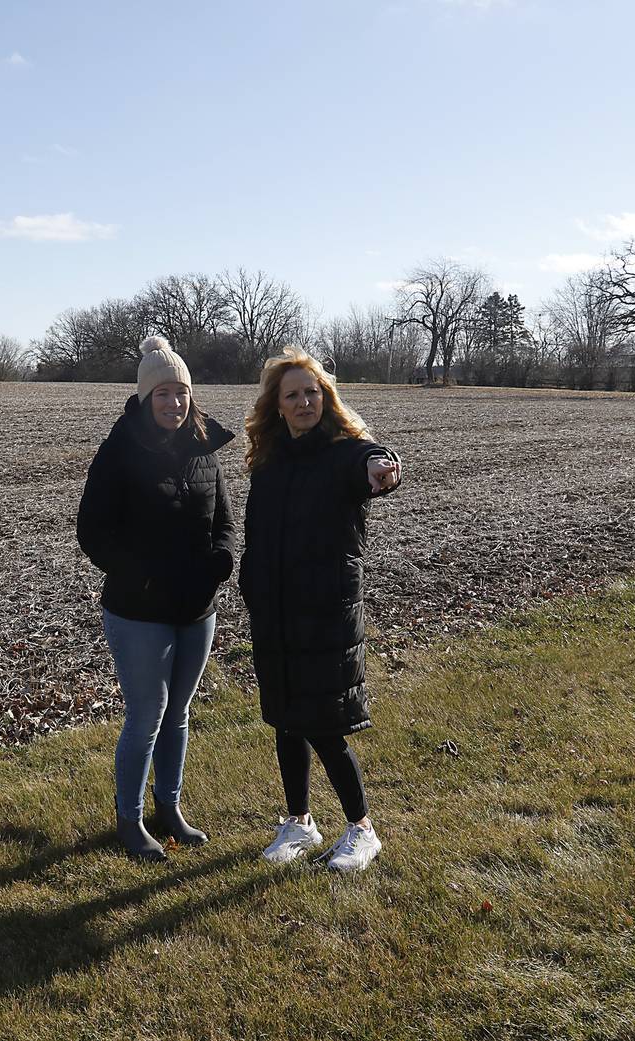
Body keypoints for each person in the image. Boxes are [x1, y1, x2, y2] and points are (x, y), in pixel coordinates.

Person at [238, 347, 401, 872]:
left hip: (325, 614)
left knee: (325, 727)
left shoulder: (344, 451)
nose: (304, 401)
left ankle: (362, 829)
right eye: (293, 395)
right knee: (286, 721)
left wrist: (381, 468)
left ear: (325, 397)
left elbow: (368, 461)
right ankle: (300, 823)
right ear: (278, 406)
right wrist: (252, 586)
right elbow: (257, 535)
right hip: (277, 613)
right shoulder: (269, 461)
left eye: (312, 392)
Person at [77, 336, 237, 862]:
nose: (173, 402)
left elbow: (224, 521)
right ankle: (129, 818)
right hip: (138, 609)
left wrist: (220, 563)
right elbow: (93, 533)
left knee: (180, 712)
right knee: (148, 711)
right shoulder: (121, 450)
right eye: (162, 393)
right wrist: (143, 577)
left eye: (180, 392)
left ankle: (169, 807)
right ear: (146, 398)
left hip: (196, 609)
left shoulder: (203, 448)